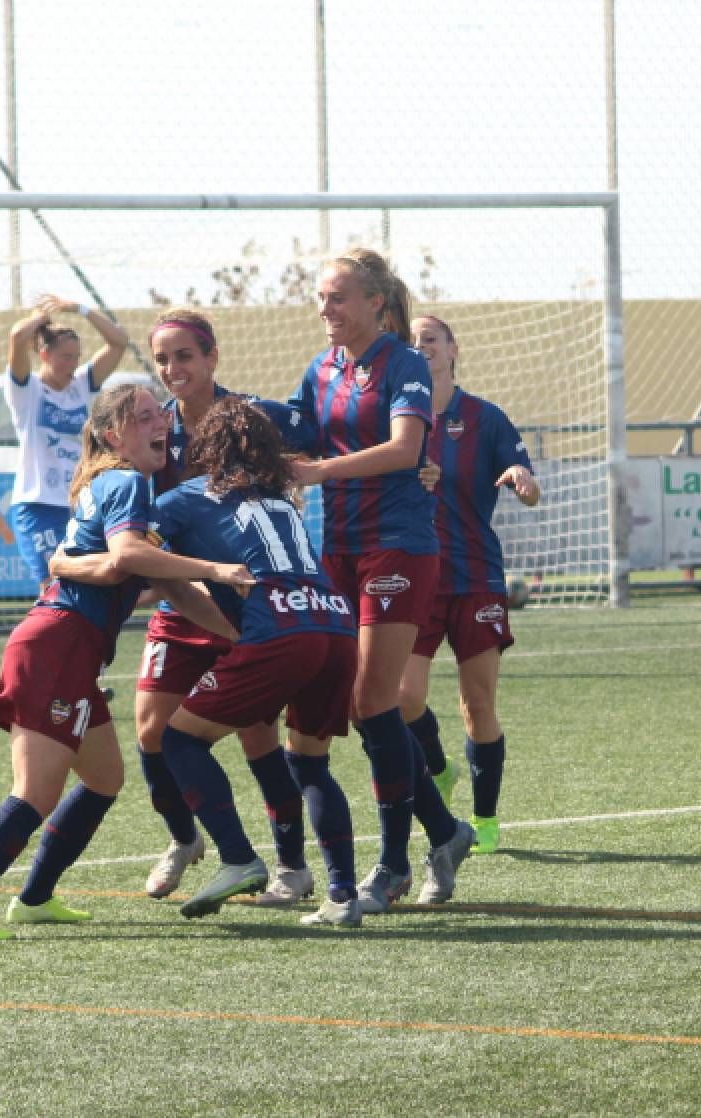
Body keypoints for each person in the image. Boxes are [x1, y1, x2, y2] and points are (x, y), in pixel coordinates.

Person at [0, 385, 253, 940]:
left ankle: (34, 898)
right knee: (34, 793)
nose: (162, 423)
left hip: (71, 648)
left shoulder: (118, 484)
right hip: (57, 645)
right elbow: (129, 559)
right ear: (112, 435)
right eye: (144, 416)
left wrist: (237, 637)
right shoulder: (125, 481)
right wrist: (219, 571)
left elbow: (165, 583)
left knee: (103, 779)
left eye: (161, 415)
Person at [67, 396, 363, 925]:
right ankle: (341, 896)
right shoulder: (280, 496)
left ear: (205, 449)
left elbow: (131, 557)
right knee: (310, 764)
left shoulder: (183, 498)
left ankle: (237, 857)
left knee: (177, 739)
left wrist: (65, 564)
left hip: (277, 629)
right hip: (335, 620)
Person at [289, 247, 476, 913]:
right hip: (335, 548)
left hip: (396, 547)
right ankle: (446, 831)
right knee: (360, 705)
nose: (325, 308)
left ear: (374, 303)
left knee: (376, 701)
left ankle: (394, 864)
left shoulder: (402, 363)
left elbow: (404, 450)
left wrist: (317, 473)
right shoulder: (321, 369)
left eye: (338, 297)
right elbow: (298, 435)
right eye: (321, 297)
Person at [129, 308, 321, 908]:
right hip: (182, 597)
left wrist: (413, 470)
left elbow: (327, 438)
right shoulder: (154, 426)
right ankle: (186, 840)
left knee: (258, 737)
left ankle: (291, 866)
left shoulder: (252, 417)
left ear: (211, 358)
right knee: (150, 733)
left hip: (244, 605)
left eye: (184, 355)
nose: (172, 368)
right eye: (162, 358)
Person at [397, 315, 540, 857]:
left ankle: (483, 818)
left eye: (430, 339)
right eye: (412, 342)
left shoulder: (484, 418)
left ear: (453, 348)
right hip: (413, 574)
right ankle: (438, 768)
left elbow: (530, 488)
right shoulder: (394, 418)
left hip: (475, 576)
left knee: (476, 704)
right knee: (404, 696)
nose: (421, 347)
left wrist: (524, 483)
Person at [3, 293, 131, 584]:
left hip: (78, 503)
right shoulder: (27, 390)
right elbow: (17, 336)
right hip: (38, 506)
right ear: (45, 354)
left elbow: (119, 342)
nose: (72, 364)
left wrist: (81, 309)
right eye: (65, 357)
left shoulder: (82, 387)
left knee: (89, 584)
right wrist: (42, 317)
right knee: (54, 585)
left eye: (76, 357)